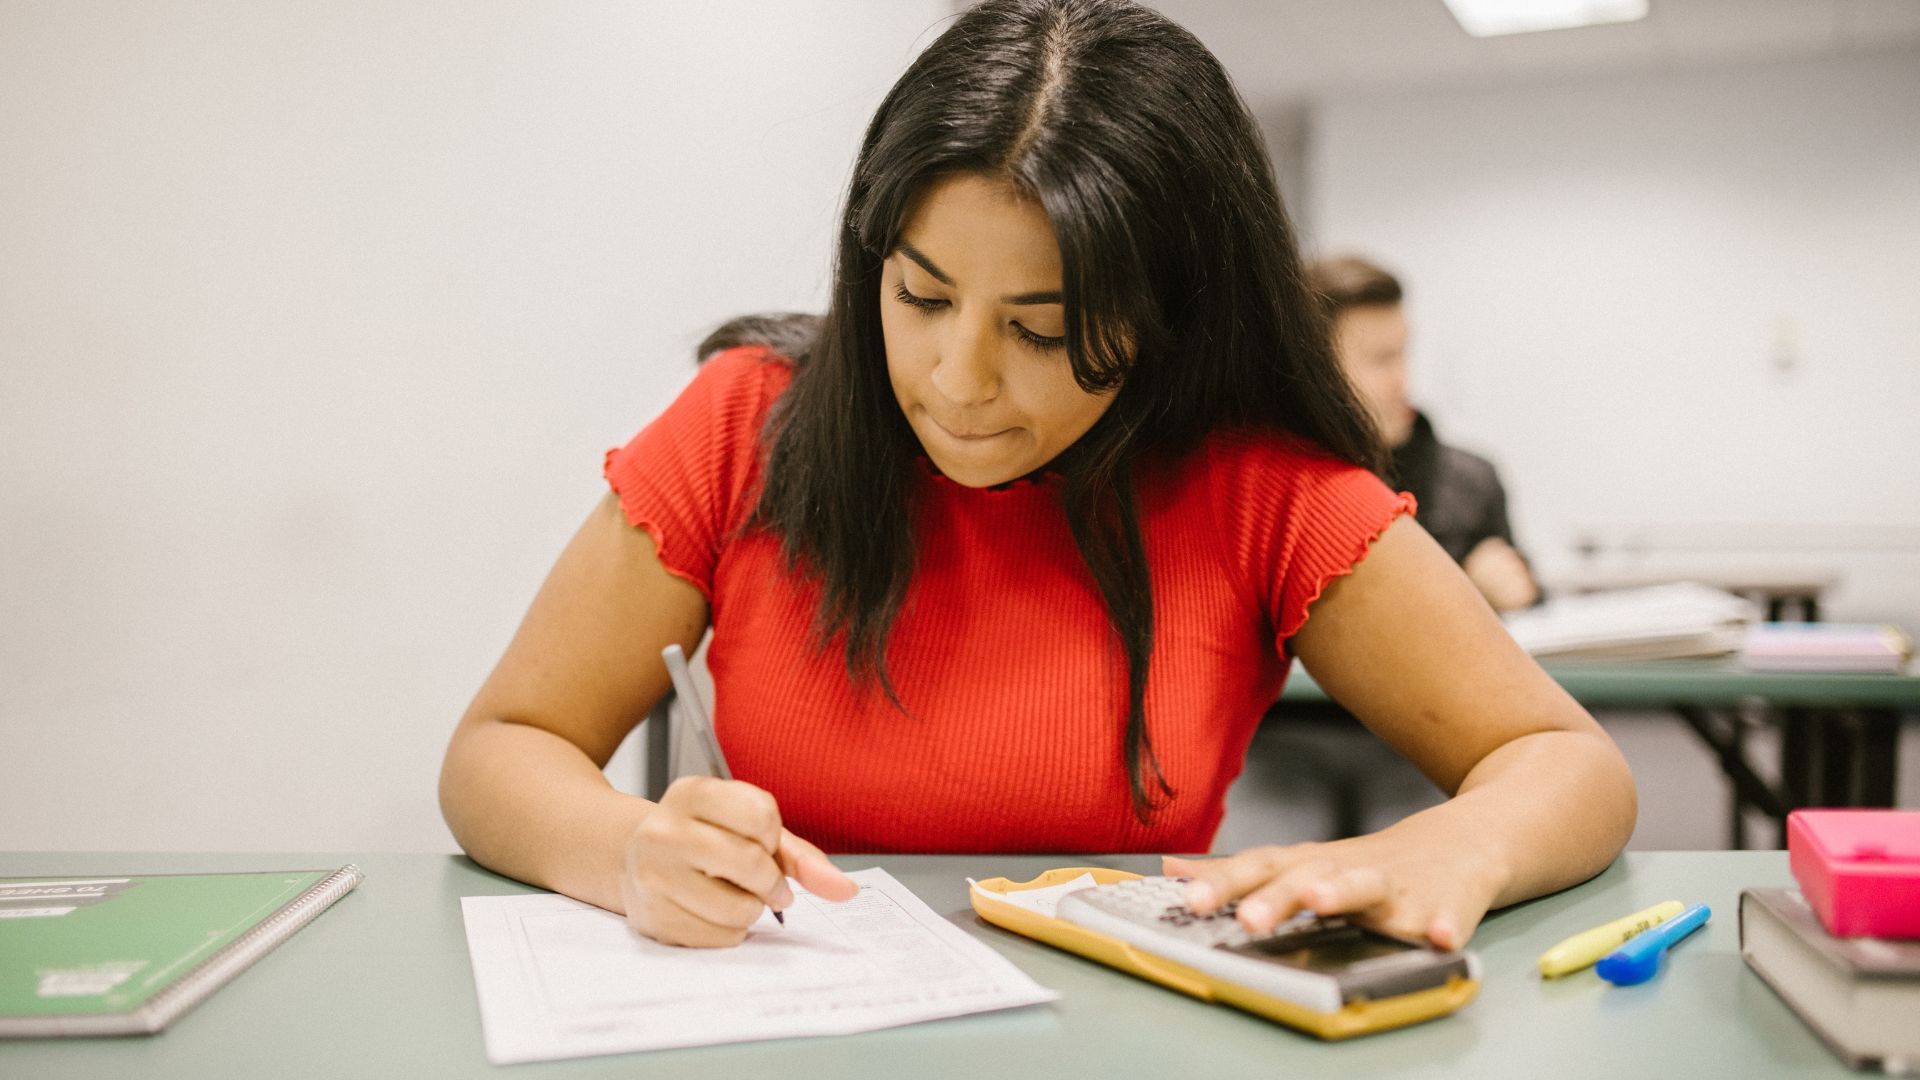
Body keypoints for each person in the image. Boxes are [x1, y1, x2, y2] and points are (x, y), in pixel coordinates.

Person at [439, 0, 1635, 953]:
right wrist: (628, 850)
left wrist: (1446, 848)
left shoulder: (1259, 489)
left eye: (1043, 327)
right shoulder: (749, 422)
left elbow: (1571, 765)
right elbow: (503, 747)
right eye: (920, 295)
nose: (959, 379)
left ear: (1168, 319)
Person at [1307, 255, 1541, 612]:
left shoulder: (1474, 483)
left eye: (1403, 353)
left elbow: (1527, 607)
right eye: (1382, 359)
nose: (1403, 380)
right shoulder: (1288, 497)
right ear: (1318, 374)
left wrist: (1518, 589)